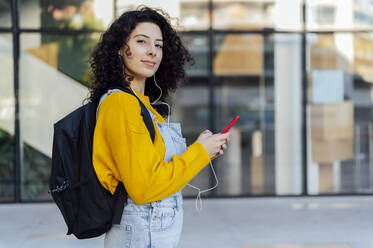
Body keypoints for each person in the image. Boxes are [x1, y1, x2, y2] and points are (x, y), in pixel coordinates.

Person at [88, 6, 231, 248]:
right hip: (141, 235)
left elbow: (160, 171)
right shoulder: (121, 103)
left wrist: (202, 148)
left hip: (151, 232)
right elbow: (144, 188)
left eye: (158, 45)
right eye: (142, 41)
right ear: (121, 49)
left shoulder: (147, 106)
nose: (152, 51)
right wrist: (199, 153)